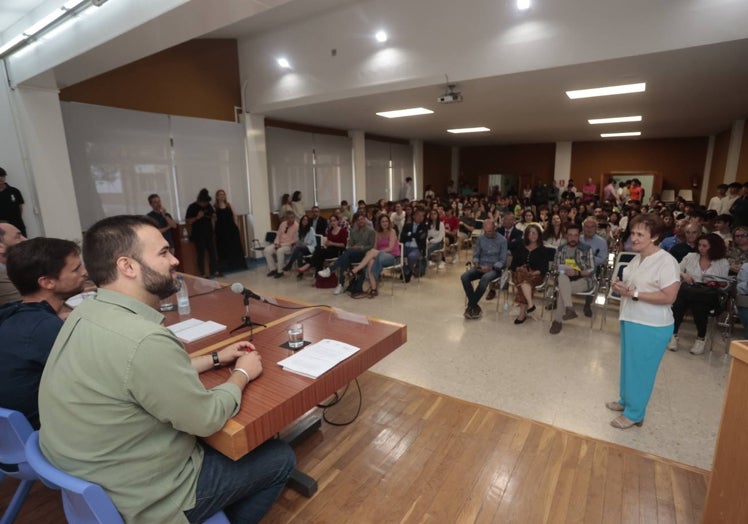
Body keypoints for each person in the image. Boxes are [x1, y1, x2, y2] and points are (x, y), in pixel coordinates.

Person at [37, 215, 295, 523]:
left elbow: (130, 373)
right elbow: (207, 419)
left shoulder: (85, 312)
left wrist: (215, 358)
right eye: (162, 253)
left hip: (88, 475)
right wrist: (242, 373)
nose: (174, 259)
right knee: (279, 457)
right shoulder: (144, 339)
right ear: (127, 266)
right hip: (144, 497)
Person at [0, 237, 86, 429]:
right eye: (75, 269)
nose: (84, 273)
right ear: (47, 282)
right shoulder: (43, 328)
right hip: (42, 433)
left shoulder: (13, 313)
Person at [609, 214, 680, 429]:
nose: (635, 238)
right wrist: (620, 288)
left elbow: (669, 296)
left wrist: (634, 294)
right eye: (633, 233)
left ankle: (635, 414)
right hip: (631, 318)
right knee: (629, 364)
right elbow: (632, 288)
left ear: (655, 236)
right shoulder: (636, 258)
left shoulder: (666, 261)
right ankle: (626, 400)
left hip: (652, 325)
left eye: (641, 234)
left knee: (642, 370)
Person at [668, 233, 729, 355]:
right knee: (679, 303)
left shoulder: (722, 262)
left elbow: (725, 283)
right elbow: (675, 269)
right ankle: (673, 335)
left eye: (705, 246)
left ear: (714, 247)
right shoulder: (691, 256)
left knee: (699, 306)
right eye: (700, 245)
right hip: (689, 289)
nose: (701, 248)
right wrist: (684, 275)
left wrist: (716, 282)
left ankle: (701, 338)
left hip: (708, 292)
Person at [549, 224, 594, 335]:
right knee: (562, 279)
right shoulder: (561, 249)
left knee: (562, 289)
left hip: (584, 279)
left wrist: (577, 272)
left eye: (575, 235)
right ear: (566, 236)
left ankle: (557, 321)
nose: (573, 238)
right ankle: (569, 308)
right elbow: (555, 267)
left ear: (579, 236)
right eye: (570, 235)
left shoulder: (587, 249)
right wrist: (563, 270)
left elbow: (592, 270)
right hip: (565, 277)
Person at [461, 218, 507, 320]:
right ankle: (474, 306)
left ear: (495, 228)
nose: (487, 234)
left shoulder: (502, 240)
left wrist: (491, 268)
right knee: (464, 277)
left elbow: (502, 260)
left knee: (485, 279)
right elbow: (476, 255)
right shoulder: (481, 238)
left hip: (494, 269)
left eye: (489, 231)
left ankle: (471, 306)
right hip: (480, 266)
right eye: (485, 231)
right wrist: (477, 264)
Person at [318, 213, 375, 294]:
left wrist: (360, 247)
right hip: (353, 253)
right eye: (358, 220)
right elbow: (350, 244)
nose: (360, 221)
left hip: (365, 254)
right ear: (356, 221)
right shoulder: (353, 231)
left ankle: (330, 270)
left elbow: (372, 246)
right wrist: (353, 247)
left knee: (346, 254)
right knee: (345, 258)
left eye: (362, 219)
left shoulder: (371, 231)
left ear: (365, 219)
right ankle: (340, 284)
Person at [348, 214, 400, 298]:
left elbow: (390, 248)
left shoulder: (392, 231)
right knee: (370, 261)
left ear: (389, 222)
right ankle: (373, 289)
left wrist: (376, 252)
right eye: (382, 221)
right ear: (379, 223)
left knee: (372, 253)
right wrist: (373, 253)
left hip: (392, 256)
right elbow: (375, 247)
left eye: (386, 221)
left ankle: (355, 270)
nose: (385, 223)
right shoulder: (377, 233)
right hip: (380, 256)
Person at [509, 224, 550, 324]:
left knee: (523, 283)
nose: (532, 235)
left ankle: (523, 312)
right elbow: (513, 265)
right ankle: (530, 305)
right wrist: (519, 268)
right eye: (530, 233)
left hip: (536, 276)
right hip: (519, 274)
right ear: (526, 235)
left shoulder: (543, 250)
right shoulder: (520, 248)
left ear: (539, 235)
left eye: (535, 233)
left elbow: (544, 268)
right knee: (521, 276)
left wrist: (533, 272)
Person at [185, 188, 221, 278]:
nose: (205, 204)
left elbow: (213, 217)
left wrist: (214, 217)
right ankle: (203, 273)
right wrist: (197, 217)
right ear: (199, 201)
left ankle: (215, 271)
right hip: (198, 235)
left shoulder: (208, 206)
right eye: (203, 203)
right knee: (200, 254)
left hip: (209, 233)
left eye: (206, 203)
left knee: (212, 252)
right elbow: (188, 221)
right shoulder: (192, 206)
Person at [580, 217, 609, 317]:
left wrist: (588, 260)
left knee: (592, 275)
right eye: (586, 227)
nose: (589, 229)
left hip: (592, 269)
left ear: (596, 228)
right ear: (583, 228)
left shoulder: (601, 242)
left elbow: (602, 258)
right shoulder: (578, 238)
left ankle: (587, 305)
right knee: (562, 272)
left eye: (592, 227)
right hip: (575, 267)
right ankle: (557, 300)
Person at [214, 189, 248, 271]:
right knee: (223, 248)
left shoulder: (229, 205)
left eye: (223, 194)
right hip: (221, 230)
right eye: (220, 195)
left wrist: (237, 226)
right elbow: (214, 219)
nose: (222, 196)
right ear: (217, 197)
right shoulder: (215, 207)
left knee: (235, 247)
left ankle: (238, 265)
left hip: (231, 229)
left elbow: (234, 216)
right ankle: (226, 267)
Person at [265, 210, 299, 278]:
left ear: (294, 217)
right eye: (288, 218)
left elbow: (294, 240)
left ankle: (280, 271)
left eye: (292, 217)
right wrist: (276, 243)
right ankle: (273, 269)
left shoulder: (297, 226)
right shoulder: (283, 224)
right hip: (279, 244)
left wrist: (281, 245)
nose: (290, 219)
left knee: (279, 251)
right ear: (286, 218)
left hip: (289, 246)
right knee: (266, 250)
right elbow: (278, 235)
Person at [0, 221, 27, 305]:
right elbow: (27, 309)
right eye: (18, 236)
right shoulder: (2, 276)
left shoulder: (13, 268)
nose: (26, 240)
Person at [399, 208, 428, 282]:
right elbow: (403, 236)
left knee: (411, 257)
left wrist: (410, 234)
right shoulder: (407, 225)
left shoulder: (424, 227)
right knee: (398, 255)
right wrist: (414, 235)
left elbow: (421, 237)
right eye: (418, 215)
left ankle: (408, 271)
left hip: (417, 248)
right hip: (405, 247)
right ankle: (406, 270)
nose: (420, 217)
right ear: (414, 216)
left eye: (422, 216)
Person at [0, 167, 26, 236]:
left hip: (17, 225)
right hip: (1, 229)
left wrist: (16, 219)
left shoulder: (14, 191)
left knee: (23, 245)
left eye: (2, 176)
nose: (0, 178)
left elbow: (20, 207)